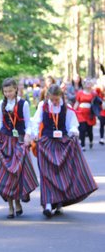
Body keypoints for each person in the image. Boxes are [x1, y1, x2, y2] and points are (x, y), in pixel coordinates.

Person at [31, 84, 98, 218]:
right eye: (52, 99)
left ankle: (60, 203)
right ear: (48, 96)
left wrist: (74, 132)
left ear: (61, 96)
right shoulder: (42, 106)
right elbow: (36, 122)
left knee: (61, 173)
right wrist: (33, 135)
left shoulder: (67, 108)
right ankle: (48, 205)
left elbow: (72, 124)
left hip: (62, 143)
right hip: (46, 143)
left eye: (57, 99)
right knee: (46, 173)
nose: (55, 102)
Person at [0, 78, 39, 219]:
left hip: (19, 141)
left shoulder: (24, 104)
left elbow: (28, 123)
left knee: (17, 173)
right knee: (6, 174)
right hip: (5, 140)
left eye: (10, 91)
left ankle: (17, 202)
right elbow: (0, 122)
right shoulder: (1, 104)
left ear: (16, 89)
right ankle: (10, 205)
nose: (8, 94)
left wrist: (28, 135)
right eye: (5, 91)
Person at [74, 78, 97, 151]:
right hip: (81, 113)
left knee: (89, 130)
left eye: (89, 83)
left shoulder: (94, 93)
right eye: (86, 83)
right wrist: (73, 111)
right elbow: (77, 102)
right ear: (84, 84)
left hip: (90, 114)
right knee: (82, 129)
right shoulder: (80, 93)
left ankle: (91, 141)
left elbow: (96, 103)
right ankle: (82, 145)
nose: (88, 84)